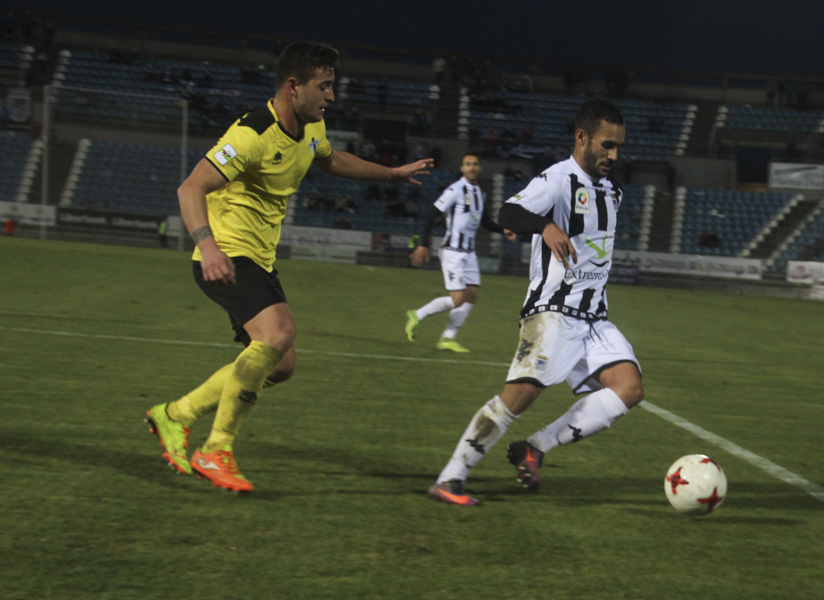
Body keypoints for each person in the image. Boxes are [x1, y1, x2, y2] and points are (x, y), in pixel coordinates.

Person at [144, 41, 434, 494]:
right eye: (325, 86)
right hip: (226, 253)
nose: (332, 96)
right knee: (278, 333)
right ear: (293, 86)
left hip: (259, 258)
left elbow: (331, 158)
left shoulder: (312, 127)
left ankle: (174, 414)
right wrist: (210, 247)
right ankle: (216, 450)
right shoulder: (251, 133)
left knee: (279, 365)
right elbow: (190, 188)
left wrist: (390, 173)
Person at [427, 99, 643, 506]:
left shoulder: (612, 190)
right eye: (607, 145)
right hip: (553, 313)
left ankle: (535, 448)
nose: (614, 155)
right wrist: (544, 225)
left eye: (618, 147)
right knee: (519, 396)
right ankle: (450, 478)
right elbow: (509, 213)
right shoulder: (559, 179)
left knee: (629, 388)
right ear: (581, 138)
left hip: (594, 317)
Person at [406, 153, 516, 352]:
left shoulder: (480, 193)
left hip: (469, 252)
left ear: (480, 168)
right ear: (462, 168)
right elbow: (432, 213)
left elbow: (483, 221)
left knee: (471, 295)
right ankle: (418, 314)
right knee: (458, 299)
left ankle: (447, 338)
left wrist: (503, 230)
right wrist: (423, 244)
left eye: (475, 164)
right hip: (452, 251)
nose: (472, 168)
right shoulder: (455, 189)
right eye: (468, 164)